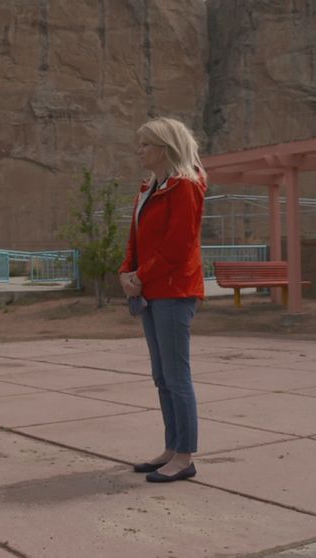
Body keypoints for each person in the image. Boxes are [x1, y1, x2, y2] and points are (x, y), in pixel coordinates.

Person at [119, 116, 207, 483]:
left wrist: (141, 276)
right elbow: (135, 238)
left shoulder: (185, 186)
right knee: (161, 376)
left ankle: (185, 456)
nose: (140, 151)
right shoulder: (151, 187)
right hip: (152, 290)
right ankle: (171, 448)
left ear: (165, 148)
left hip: (174, 291)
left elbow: (178, 247)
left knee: (176, 376)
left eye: (145, 145)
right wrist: (126, 271)